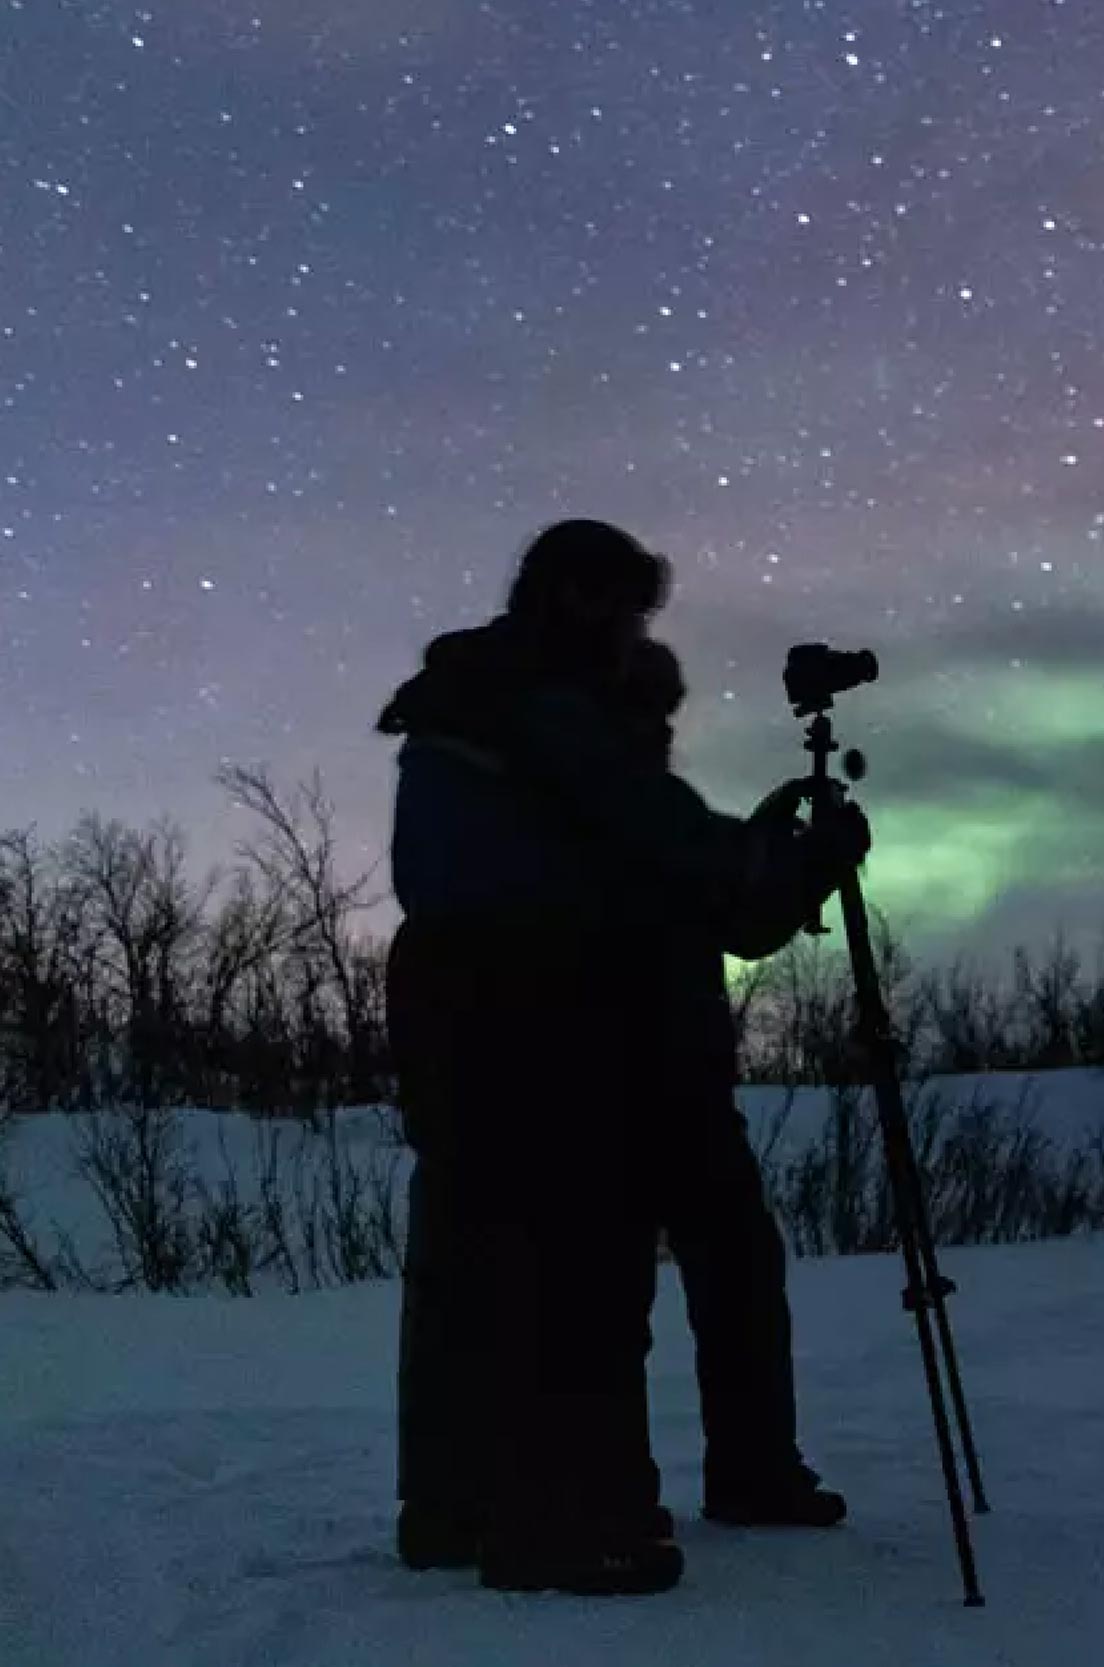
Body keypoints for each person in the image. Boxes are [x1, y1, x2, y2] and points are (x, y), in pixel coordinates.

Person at [379, 519, 863, 1595]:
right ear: (572, 603)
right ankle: (567, 1513)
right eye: (618, 608)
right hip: (562, 1033)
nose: (628, 631)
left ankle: (467, 1505)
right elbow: (684, 864)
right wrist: (802, 859)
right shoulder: (546, 716)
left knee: (503, 1269)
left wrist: (770, 865)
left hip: (525, 1035)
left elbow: (685, 874)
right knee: (576, 1276)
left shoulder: (494, 710)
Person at [611, 638, 849, 1531]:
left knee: (738, 1270)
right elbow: (721, 894)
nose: (661, 730)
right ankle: (623, 1491)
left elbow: (728, 908)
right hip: (629, 1084)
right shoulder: (611, 800)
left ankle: (743, 1472)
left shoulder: (628, 800)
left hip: (677, 1083)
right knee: (626, 1294)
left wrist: (781, 859)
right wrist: (798, 861)